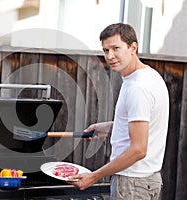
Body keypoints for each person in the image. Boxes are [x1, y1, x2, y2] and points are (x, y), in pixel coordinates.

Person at [68, 23, 169, 200]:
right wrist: (108, 127)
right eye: (106, 50)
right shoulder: (150, 76)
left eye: (116, 48)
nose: (110, 56)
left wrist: (94, 176)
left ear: (133, 47)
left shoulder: (138, 88)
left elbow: (139, 149)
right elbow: (144, 124)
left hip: (132, 183)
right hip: (149, 179)